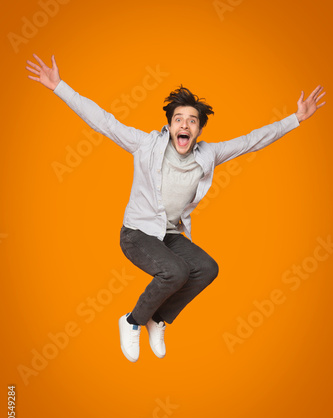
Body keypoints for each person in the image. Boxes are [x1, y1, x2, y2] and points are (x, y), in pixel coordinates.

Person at [26, 54, 326, 363]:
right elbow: (104, 121)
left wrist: (296, 118)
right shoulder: (146, 145)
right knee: (176, 271)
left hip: (168, 234)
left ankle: (158, 318)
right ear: (170, 126)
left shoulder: (209, 154)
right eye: (179, 119)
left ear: (198, 131)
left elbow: (251, 140)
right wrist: (58, 86)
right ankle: (132, 321)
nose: (185, 124)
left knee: (208, 268)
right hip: (137, 234)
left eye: (192, 121)